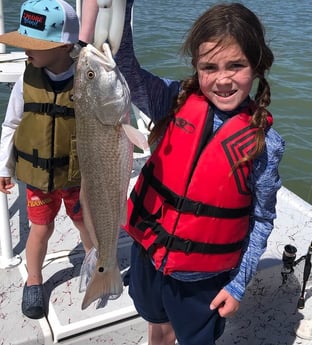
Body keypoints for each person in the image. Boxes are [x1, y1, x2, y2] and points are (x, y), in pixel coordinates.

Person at [112, 1, 285, 344]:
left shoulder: (265, 145)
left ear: (257, 66)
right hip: (149, 254)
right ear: (195, 67)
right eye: (209, 67)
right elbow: (124, 67)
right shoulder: (172, 99)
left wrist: (237, 285)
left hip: (202, 279)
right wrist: (121, 6)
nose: (222, 79)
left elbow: (262, 219)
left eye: (236, 65)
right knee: (157, 324)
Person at [0, 0, 93, 320]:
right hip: (38, 178)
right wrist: (4, 166)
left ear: (65, 46)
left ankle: (97, 266)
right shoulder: (27, 79)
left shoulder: (88, 75)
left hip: (78, 175)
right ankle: (35, 280)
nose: (25, 50)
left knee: (85, 222)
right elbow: (11, 124)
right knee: (41, 228)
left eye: (32, 44)